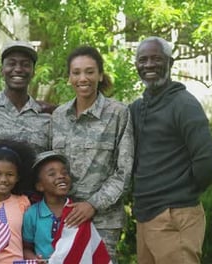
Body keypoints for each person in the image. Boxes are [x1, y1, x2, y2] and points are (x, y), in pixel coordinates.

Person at [130, 36, 212, 264]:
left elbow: (207, 163)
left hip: (175, 215)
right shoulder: (138, 108)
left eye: (156, 59)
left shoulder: (184, 104)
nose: (149, 64)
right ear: (137, 66)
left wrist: (181, 194)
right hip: (144, 215)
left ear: (170, 63)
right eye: (143, 60)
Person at [50, 46, 134, 263]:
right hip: (64, 217)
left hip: (103, 221)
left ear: (100, 75)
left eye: (89, 71)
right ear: (69, 77)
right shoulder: (59, 116)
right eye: (76, 72)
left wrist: (92, 204)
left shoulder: (118, 113)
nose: (82, 78)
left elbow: (124, 172)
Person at [22, 151, 112, 264]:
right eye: (52, 174)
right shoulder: (31, 214)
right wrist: (34, 259)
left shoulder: (78, 212)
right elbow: (26, 247)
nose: (61, 176)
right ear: (40, 186)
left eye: (64, 172)